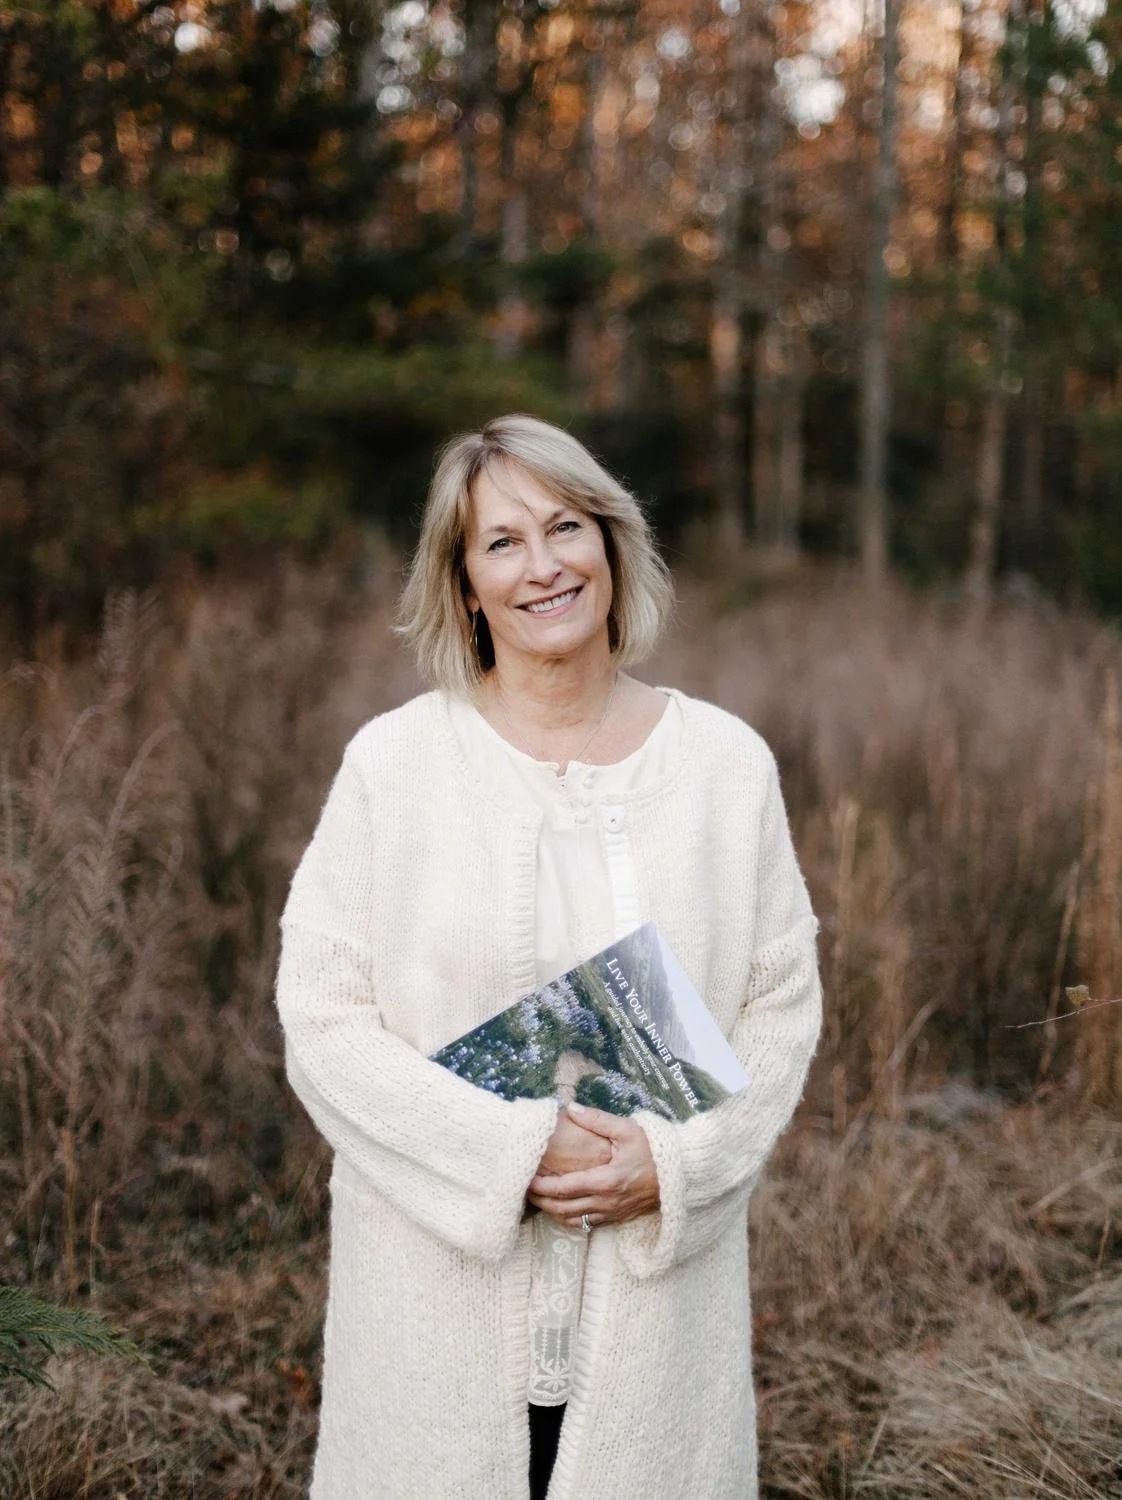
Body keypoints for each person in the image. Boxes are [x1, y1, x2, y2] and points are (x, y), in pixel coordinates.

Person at [275, 414, 821, 1500]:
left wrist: (675, 1170)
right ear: (466, 584)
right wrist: (510, 1154)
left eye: (566, 527)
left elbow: (779, 1005)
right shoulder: (394, 767)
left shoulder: (725, 766)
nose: (544, 566)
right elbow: (322, 1020)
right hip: (437, 1309)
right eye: (503, 542)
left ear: (612, 544)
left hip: (656, 1319)